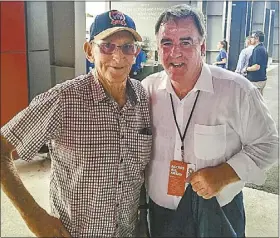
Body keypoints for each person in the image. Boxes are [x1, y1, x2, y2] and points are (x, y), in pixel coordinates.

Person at [1, 10, 152, 237]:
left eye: (127, 47)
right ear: (89, 51)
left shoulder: (141, 97)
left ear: (136, 53)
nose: (118, 57)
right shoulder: (63, 99)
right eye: (107, 46)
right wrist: (34, 216)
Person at [142, 4, 278, 237]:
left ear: (202, 47)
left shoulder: (236, 90)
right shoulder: (147, 90)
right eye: (167, 43)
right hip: (161, 213)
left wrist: (225, 173)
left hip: (219, 211)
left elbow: (270, 145)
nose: (175, 52)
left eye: (186, 42)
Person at [246, 31, 268, 95]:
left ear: (257, 39)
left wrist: (246, 69)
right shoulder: (262, 48)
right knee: (258, 101)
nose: (250, 39)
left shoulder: (258, 50)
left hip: (256, 81)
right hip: (260, 79)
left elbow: (256, 66)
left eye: (252, 37)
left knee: (254, 102)